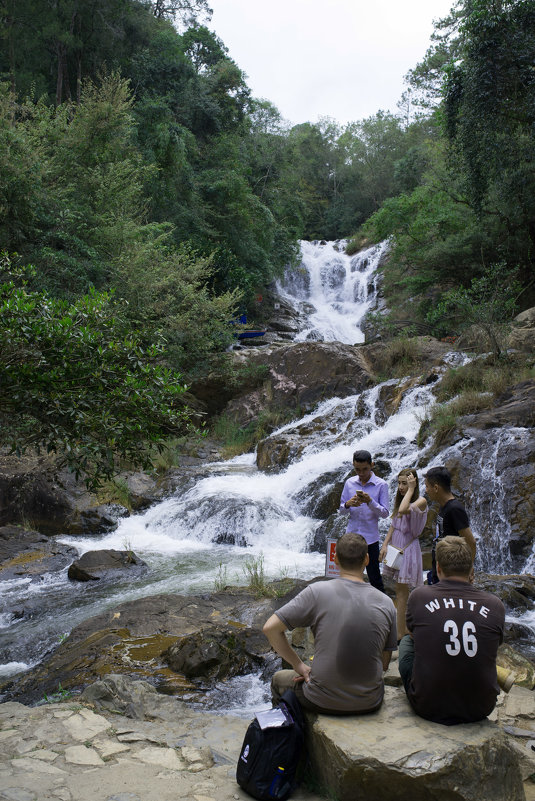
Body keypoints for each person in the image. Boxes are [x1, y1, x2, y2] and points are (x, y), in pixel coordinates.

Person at [263, 533, 397, 715]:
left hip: (321, 698)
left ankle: (285, 734)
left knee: (279, 679)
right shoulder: (386, 602)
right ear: (367, 559)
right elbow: (384, 664)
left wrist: (299, 666)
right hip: (370, 701)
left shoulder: (317, 591)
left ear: (334, 559)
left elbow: (270, 628)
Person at [398, 536, 505, 725]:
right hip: (481, 707)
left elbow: (414, 634)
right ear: (471, 570)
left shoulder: (419, 596)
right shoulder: (495, 604)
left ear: (437, 568)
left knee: (407, 642)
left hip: (427, 705)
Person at [379, 468, 427, 641]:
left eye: (404, 483)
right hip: (395, 548)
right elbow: (394, 523)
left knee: (402, 593)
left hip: (407, 549)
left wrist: (412, 490)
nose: (400, 487)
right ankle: (403, 629)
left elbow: (405, 509)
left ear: (413, 483)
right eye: (399, 483)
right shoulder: (402, 500)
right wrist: (385, 544)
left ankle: (401, 633)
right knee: (401, 592)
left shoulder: (421, 501)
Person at [339, 449, 389, 592]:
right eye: (357, 469)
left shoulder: (381, 485)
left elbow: (385, 513)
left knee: (374, 578)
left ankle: (380, 609)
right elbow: (341, 510)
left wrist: (370, 502)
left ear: (372, 465)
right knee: (349, 575)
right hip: (351, 537)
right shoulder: (349, 483)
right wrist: (348, 504)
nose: (361, 473)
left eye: (365, 469)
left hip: (370, 539)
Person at [424, 466, 476, 584]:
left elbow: (471, 542)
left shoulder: (454, 509)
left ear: (436, 487)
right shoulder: (444, 507)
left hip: (451, 572)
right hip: (440, 569)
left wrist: (468, 570)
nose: (426, 490)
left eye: (427, 486)